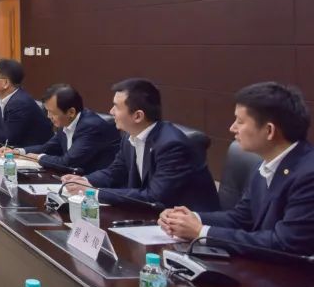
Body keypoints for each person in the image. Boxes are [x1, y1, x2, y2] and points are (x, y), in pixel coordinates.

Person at [159, 82, 314, 259]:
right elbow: (240, 218)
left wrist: (202, 232)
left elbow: (285, 243)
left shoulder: (308, 175)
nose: (232, 128)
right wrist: (187, 219)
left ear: (269, 130)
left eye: (240, 122)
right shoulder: (265, 164)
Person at [62, 78, 220, 211]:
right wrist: (84, 181)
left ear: (137, 116)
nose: (111, 111)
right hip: (156, 217)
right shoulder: (129, 136)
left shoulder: (171, 145)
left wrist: (94, 193)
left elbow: (154, 197)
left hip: (190, 224)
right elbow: (115, 172)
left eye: (116, 107)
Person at [0, 84, 119, 175]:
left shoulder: (91, 127)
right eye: (47, 111)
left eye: (52, 113)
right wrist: (18, 152)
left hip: (98, 185)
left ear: (71, 112)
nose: (48, 116)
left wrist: (37, 158)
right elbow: (47, 147)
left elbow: (68, 162)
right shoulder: (66, 122)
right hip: (74, 179)